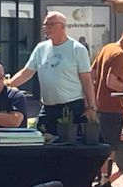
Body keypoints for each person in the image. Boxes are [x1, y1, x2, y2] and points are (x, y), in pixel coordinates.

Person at [9, 11, 92, 140]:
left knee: (69, 145)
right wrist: (7, 85)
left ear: (62, 26)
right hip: (47, 107)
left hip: (71, 107)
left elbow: (86, 80)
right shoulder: (41, 48)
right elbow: (26, 72)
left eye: (50, 25)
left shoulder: (77, 49)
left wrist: (91, 107)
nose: (46, 28)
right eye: (45, 25)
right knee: (41, 141)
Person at [90, 23, 123, 187]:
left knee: (105, 146)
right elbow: (111, 82)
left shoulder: (107, 48)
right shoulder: (119, 55)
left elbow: (92, 74)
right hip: (111, 108)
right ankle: (103, 186)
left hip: (100, 106)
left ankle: (103, 183)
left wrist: (93, 96)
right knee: (109, 149)